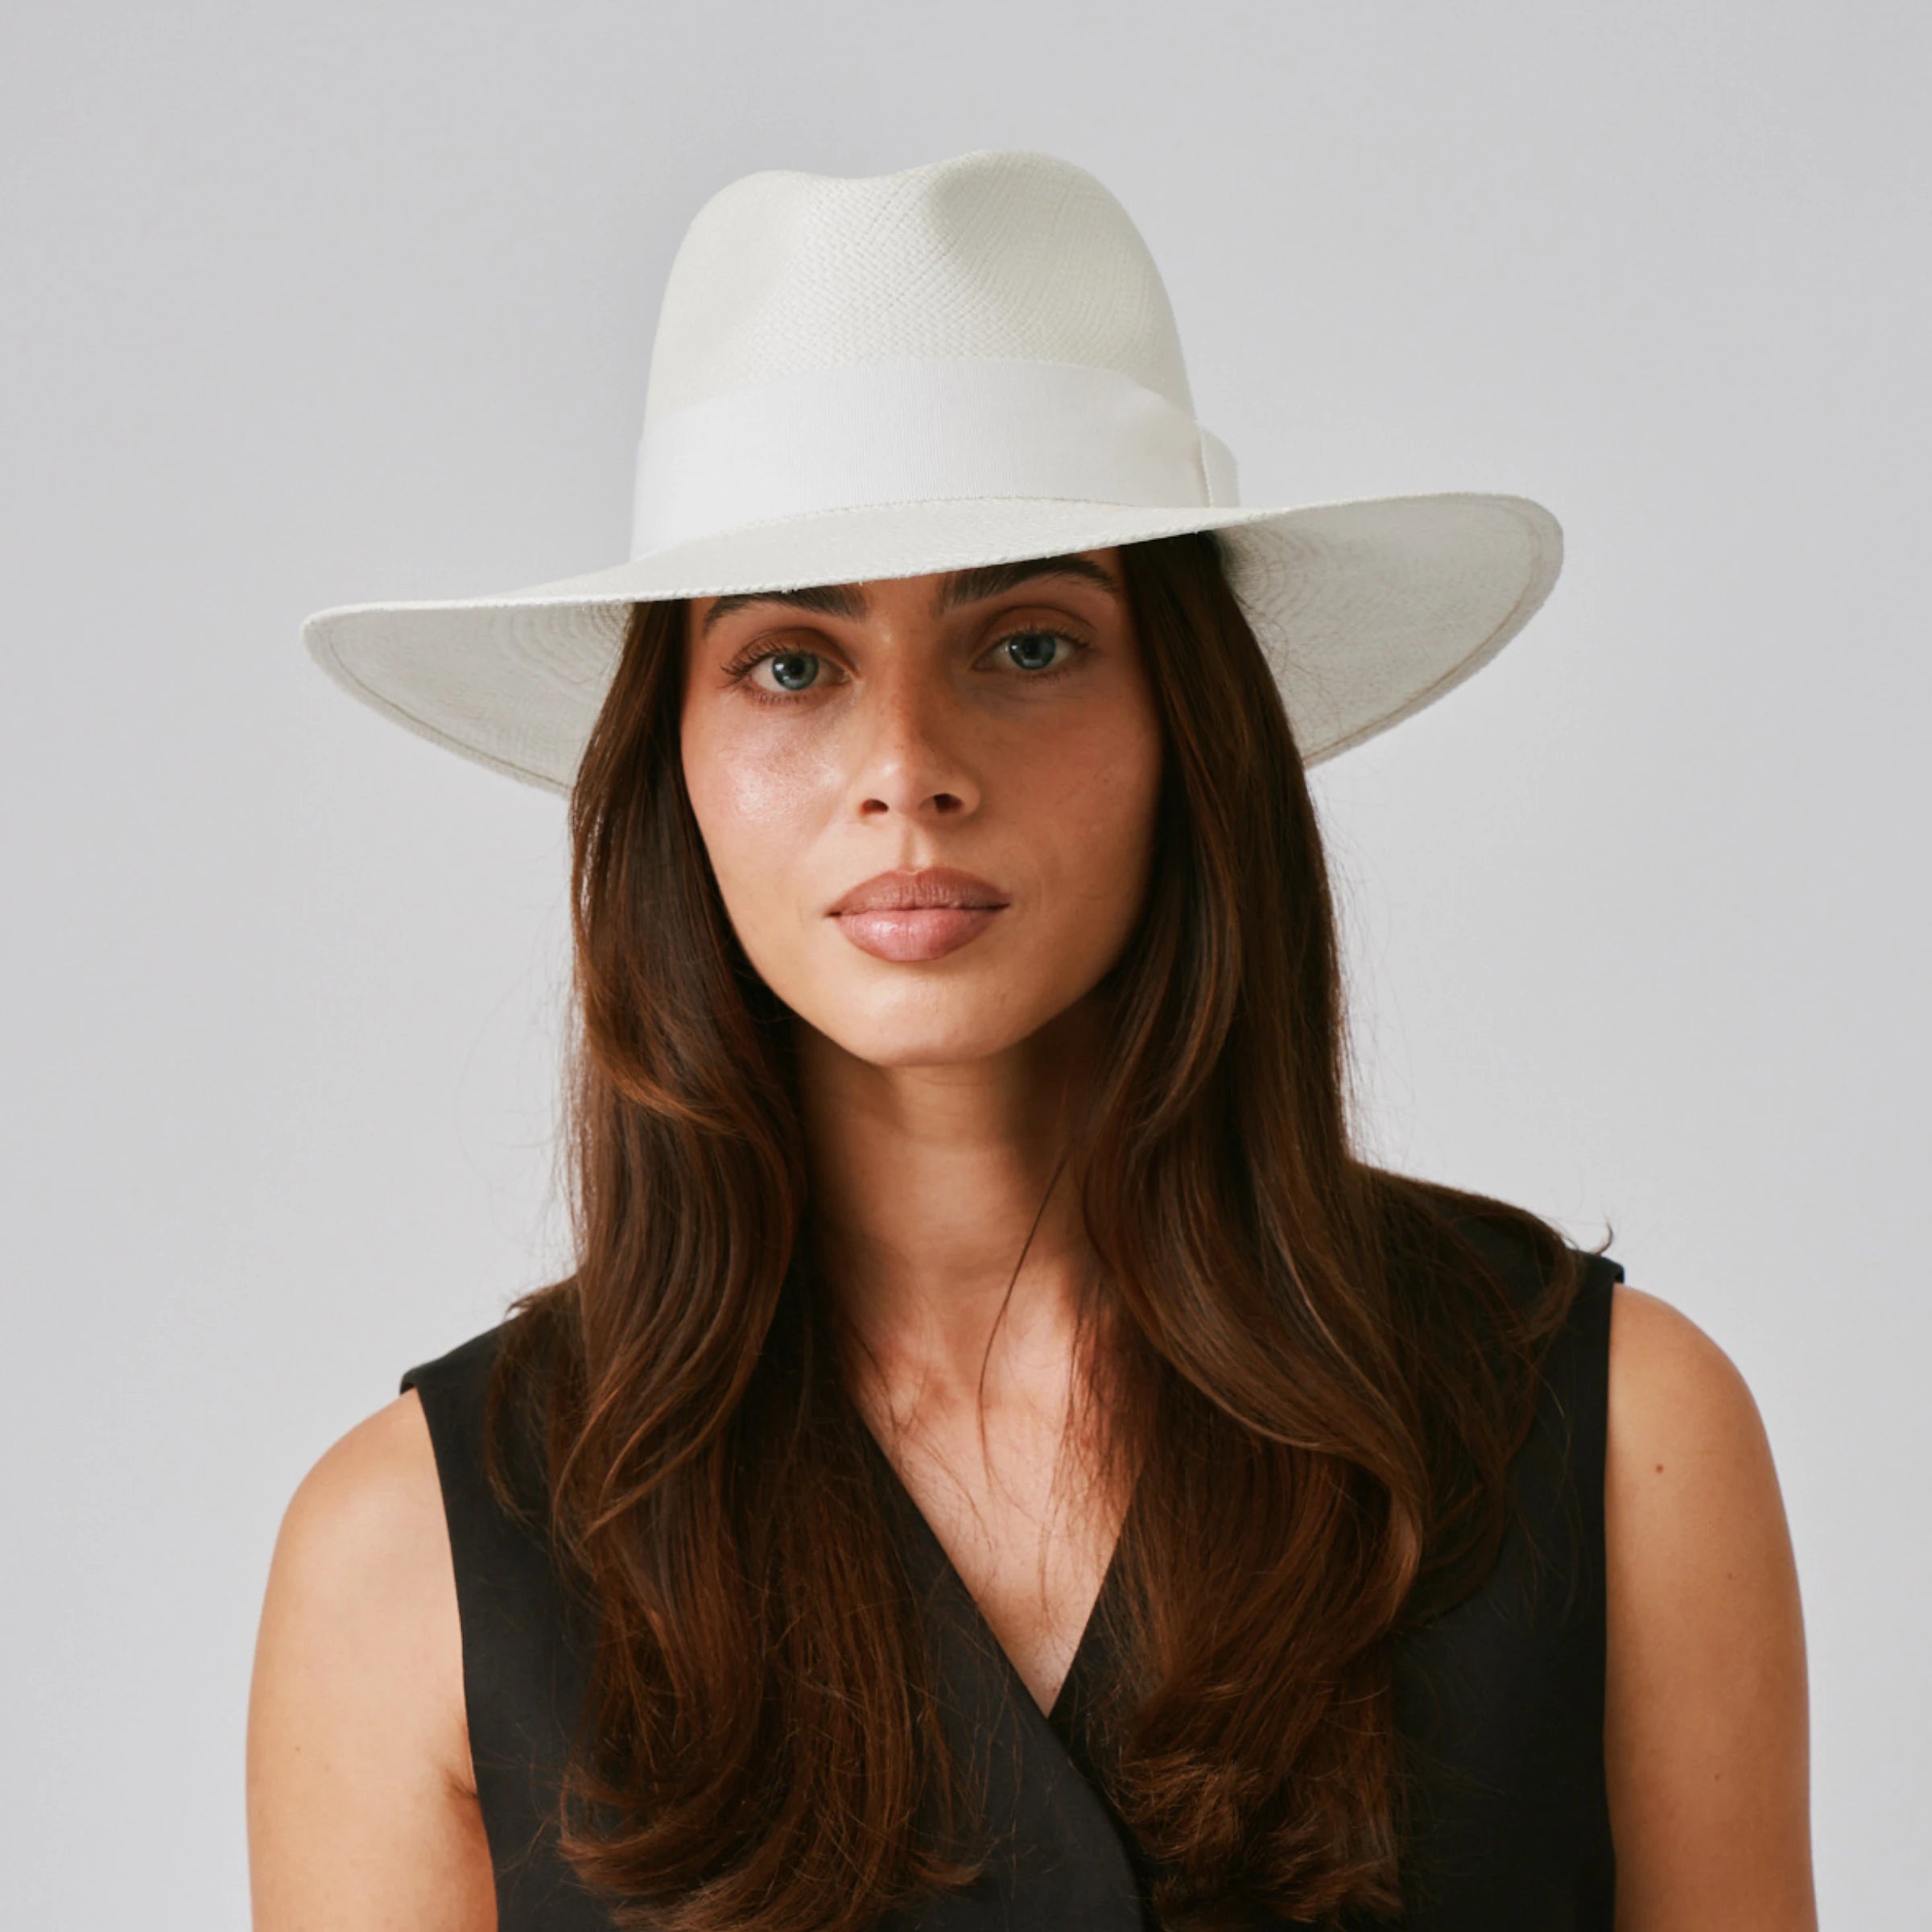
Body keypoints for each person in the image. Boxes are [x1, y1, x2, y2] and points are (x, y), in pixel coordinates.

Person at [249, 151, 1814, 1930]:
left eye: (1032, 640)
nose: (908, 762)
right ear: (665, 762)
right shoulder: (412, 1561)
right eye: (789, 663)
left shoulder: (1611, 1440)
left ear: (1186, 723)